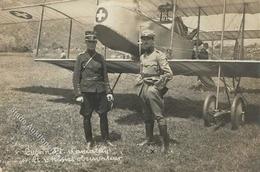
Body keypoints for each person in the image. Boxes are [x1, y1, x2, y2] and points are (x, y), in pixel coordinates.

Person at [73, 31, 114, 148]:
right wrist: (78, 94)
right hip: (86, 91)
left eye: (93, 42)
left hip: (100, 90)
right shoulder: (81, 57)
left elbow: (105, 76)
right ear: (86, 42)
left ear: (96, 43)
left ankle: (106, 139)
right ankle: (89, 140)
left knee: (103, 115)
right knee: (87, 116)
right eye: (89, 42)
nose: (91, 44)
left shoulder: (100, 58)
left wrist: (109, 92)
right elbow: (76, 77)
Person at [136, 29, 173, 153]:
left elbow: (169, 73)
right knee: (147, 115)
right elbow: (142, 72)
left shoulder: (159, 55)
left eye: (148, 39)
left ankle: (165, 144)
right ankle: (149, 139)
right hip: (143, 88)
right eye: (143, 39)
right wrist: (140, 78)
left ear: (153, 41)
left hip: (153, 89)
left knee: (158, 115)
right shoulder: (142, 56)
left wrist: (157, 84)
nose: (145, 41)